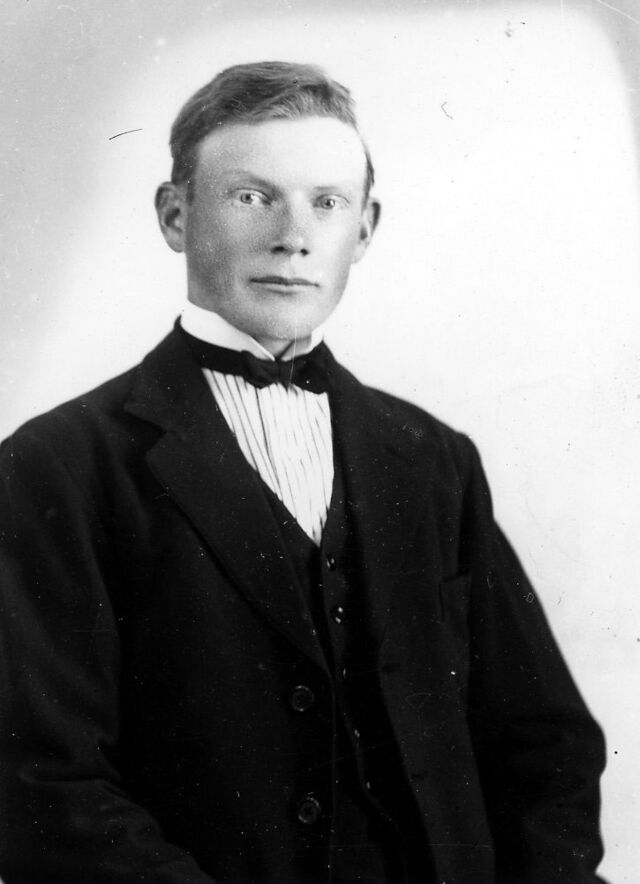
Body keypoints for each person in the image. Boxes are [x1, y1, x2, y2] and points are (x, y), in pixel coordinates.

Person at [0, 61, 607, 884]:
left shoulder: (433, 459)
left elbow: (547, 748)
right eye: (252, 197)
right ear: (175, 215)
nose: (294, 236)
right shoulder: (57, 465)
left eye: (327, 202)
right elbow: (43, 786)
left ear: (365, 229)